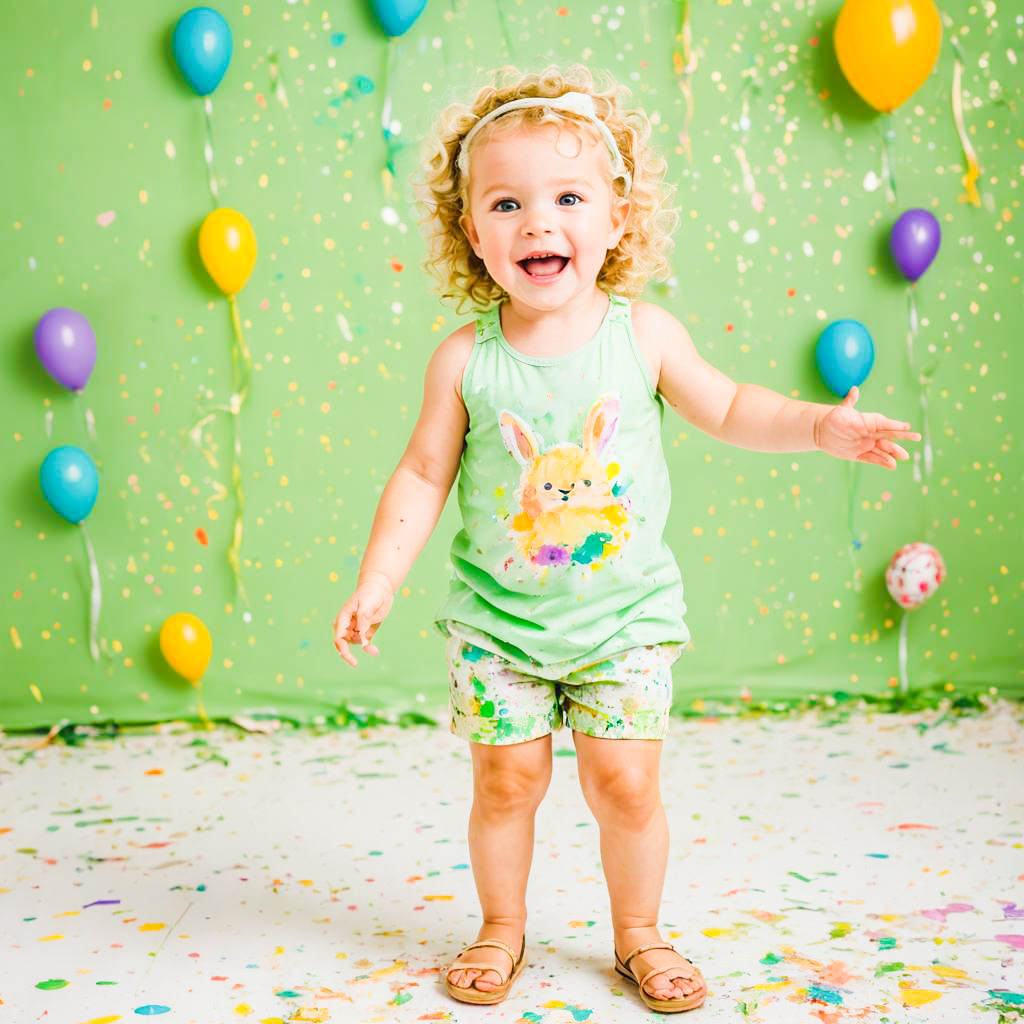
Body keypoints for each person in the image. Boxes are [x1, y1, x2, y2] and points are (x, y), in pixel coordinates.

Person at [333, 65, 919, 1013]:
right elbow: (422, 476)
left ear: (616, 220)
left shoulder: (641, 335)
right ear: (471, 231)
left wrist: (815, 424)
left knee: (626, 787)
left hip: (625, 621)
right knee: (506, 782)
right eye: (507, 202)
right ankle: (502, 924)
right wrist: (379, 578)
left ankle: (639, 931)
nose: (538, 223)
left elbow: (729, 405)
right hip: (498, 624)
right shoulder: (465, 359)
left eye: (568, 197)